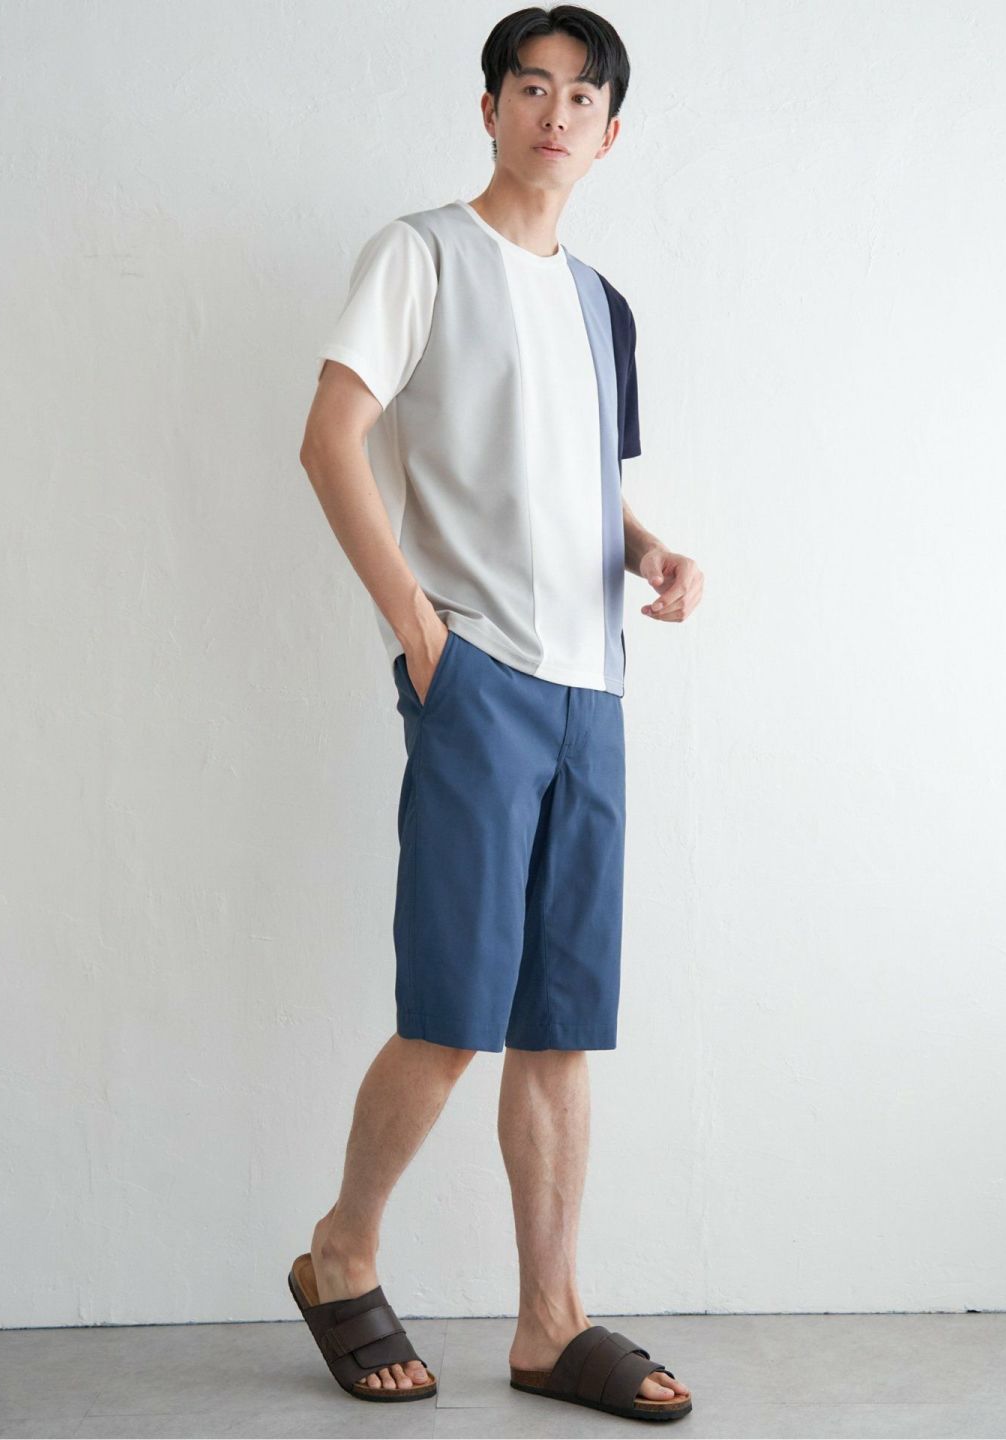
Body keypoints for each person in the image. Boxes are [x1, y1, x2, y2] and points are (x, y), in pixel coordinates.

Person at [291, 5, 702, 1423]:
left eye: (583, 97)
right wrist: (421, 634)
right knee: (455, 1010)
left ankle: (548, 1324)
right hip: (478, 681)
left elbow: (583, 478)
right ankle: (342, 1254)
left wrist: (649, 549)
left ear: (609, 133)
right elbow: (329, 439)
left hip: (596, 691)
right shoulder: (420, 256)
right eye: (532, 86)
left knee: (559, 1022)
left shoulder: (604, 305)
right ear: (490, 108)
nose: (555, 112)